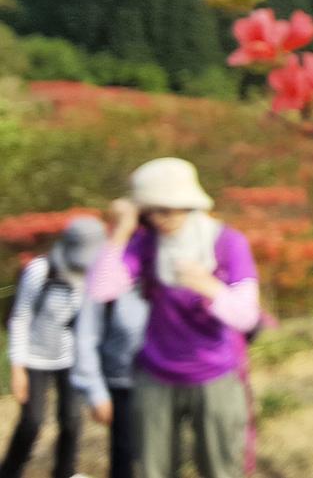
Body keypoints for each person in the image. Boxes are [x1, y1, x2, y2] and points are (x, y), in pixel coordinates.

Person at [89, 158, 259, 478]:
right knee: (152, 469)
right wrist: (122, 230)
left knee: (221, 469)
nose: (164, 219)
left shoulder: (227, 243)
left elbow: (247, 317)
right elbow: (101, 289)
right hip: (156, 372)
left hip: (215, 374)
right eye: (154, 211)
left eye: (174, 209)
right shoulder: (147, 243)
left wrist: (209, 287)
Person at [2, 215, 105, 478]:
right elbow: (21, 318)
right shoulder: (40, 270)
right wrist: (18, 368)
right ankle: (10, 471)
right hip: (34, 358)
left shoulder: (96, 274)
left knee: (71, 420)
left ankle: (65, 472)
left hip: (70, 357)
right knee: (32, 422)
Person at [70, 274, 149, 478]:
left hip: (165, 383)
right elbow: (85, 337)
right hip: (122, 384)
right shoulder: (105, 274)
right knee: (125, 456)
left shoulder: (165, 269)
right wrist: (95, 392)